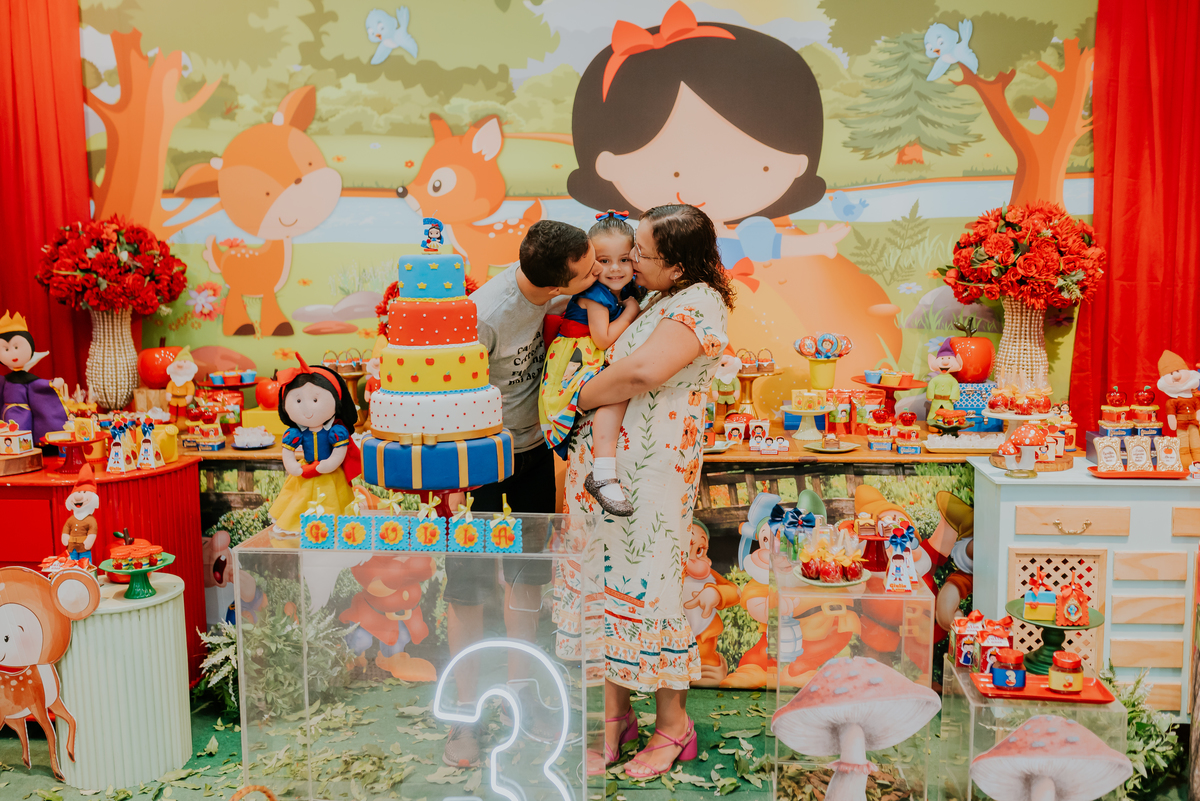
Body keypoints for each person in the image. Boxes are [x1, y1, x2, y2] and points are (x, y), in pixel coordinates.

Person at [567, 204, 732, 779]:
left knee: (655, 592)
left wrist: (581, 396)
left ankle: (672, 726)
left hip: (651, 483)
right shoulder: (660, 296)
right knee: (609, 591)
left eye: (642, 251)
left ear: (680, 263)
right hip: (608, 480)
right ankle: (617, 721)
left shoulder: (698, 304)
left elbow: (641, 374)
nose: (631, 259)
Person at [441, 219, 601, 769]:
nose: (598, 268)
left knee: (529, 572)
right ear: (560, 281)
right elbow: (451, 401)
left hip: (532, 454)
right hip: (478, 462)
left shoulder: (569, 295)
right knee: (467, 581)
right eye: (590, 265)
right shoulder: (485, 314)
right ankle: (464, 711)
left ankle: (518, 699)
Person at [539, 211, 643, 515]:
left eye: (624, 259)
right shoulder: (596, 295)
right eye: (605, 260)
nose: (615, 269)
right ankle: (603, 471)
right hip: (574, 362)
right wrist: (631, 310)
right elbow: (602, 338)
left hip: (586, 356)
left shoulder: (617, 291)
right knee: (616, 392)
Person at [268, 354, 361, 534]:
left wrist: (328, 464)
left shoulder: (336, 432)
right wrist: (293, 466)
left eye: (315, 400)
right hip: (305, 473)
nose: (307, 408)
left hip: (330, 473)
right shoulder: (295, 433)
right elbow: (288, 452)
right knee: (300, 500)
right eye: (298, 401)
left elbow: (339, 452)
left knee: (332, 504)